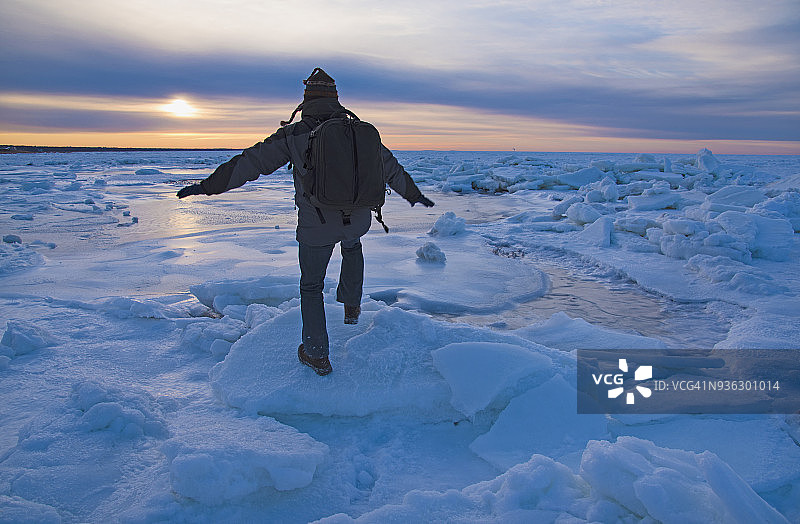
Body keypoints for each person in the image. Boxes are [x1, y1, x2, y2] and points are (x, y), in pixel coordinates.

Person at [176, 68, 434, 376]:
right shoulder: (358, 131)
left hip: (318, 224)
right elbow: (391, 168)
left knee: (311, 286)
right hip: (359, 219)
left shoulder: (295, 134)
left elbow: (250, 162)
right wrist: (414, 194)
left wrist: (207, 186)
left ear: (306, 99)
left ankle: (316, 354)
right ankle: (352, 308)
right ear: (335, 98)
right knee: (352, 246)